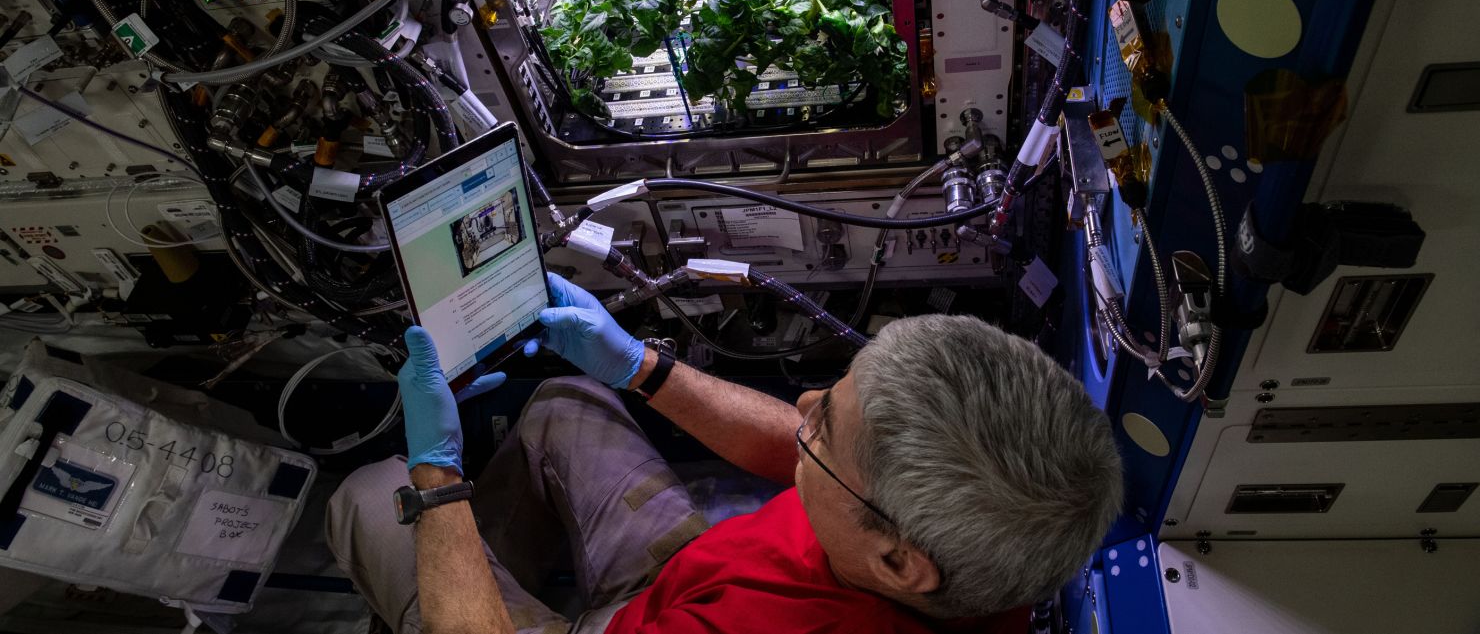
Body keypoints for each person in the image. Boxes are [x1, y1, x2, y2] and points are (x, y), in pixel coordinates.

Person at [327, 273, 1123, 634]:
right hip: (691, 576)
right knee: (565, 402)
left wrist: (438, 475)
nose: (802, 409)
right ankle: (473, 582)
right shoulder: (997, 531)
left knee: (371, 492)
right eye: (832, 391)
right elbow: (810, 450)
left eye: (825, 428)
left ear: (897, 562)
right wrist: (641, 365)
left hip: (679, 614)